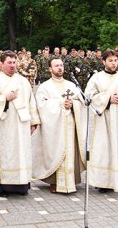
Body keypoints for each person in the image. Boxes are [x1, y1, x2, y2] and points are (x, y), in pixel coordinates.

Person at [0, 50, 40, 197]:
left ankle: (22, 185)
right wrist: (4, 98)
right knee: (6, 154)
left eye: (14, 62)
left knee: (22, 153)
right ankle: (4, 187)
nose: (13, 65)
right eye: (9, 62)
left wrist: (33, 122)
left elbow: (31, 101)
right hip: (4, 125)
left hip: (21, 125)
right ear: (1, 64)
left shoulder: (23, 81)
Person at [85, 50, 118, 193]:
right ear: (103, 62)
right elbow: (89, 96)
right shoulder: (96, 78)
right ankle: (103, 183)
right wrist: (107, 99)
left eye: (115, 60)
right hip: (104, 120)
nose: (113, 63)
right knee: (104, 149)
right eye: (110, 60)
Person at [33, 58, 87, 193]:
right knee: (55, 151)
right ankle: (54, 181)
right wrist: (60, 104)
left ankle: (72, 179)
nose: (59, 68)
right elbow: (41, 106)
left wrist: (73, 104)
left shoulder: (71, 85)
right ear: (50, 69)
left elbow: (81, 103)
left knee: (70, 151)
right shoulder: (45, 87)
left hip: (70, 126)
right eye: (56, 66)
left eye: (61, 65)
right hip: (54, 128)